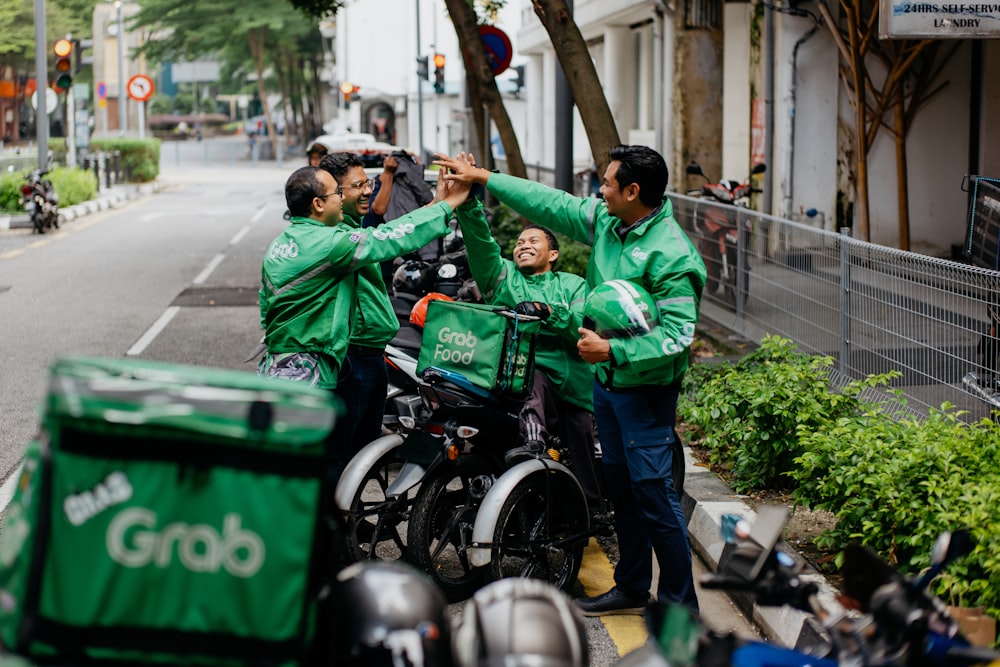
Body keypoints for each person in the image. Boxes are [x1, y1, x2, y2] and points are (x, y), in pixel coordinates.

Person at [435, 145, 707, 616]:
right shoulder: (608, 220)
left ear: (633, 190)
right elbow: (548, 202)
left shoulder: (673, 255)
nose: (599, 190)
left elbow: (679, 336)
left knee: (655, 496)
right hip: (606, 384)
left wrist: (614, 349)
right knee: (621, 491)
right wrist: (483, 178)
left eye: (606, 182)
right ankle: (631, 586)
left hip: (645, 391)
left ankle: (681, 605)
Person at [259, 165, 470, 489]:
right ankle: (326, 535)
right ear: (318, 204)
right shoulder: (329, 243)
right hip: (312, 372)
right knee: (328, 460)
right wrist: (446, 205)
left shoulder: (282, 244)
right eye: (337, 194)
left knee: (303, 462)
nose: (341, 199)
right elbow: (388, 239)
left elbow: (265, 305)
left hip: (280, 367)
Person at [449, 160, 600, 510]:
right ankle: (532, 444)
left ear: (553, 253)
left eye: (533, 240)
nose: (523, 245)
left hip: (573, 384)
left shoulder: (573, 284)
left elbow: (582, 324)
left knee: (584, 450)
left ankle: (592, 511)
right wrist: (468, 201)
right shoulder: (502, 279)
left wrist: (549, 312)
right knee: (529, 371)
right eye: (518, 242)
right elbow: (481, 245)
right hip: (520, 377)